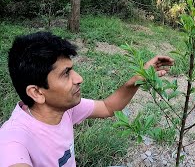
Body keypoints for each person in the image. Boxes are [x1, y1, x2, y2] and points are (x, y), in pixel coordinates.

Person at [0, 32, 174, 167]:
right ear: (36, 93)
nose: (79, 78)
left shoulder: (64, 108)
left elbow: (107, 107)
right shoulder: (13, 139)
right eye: (66, 73)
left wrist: (136, 80)